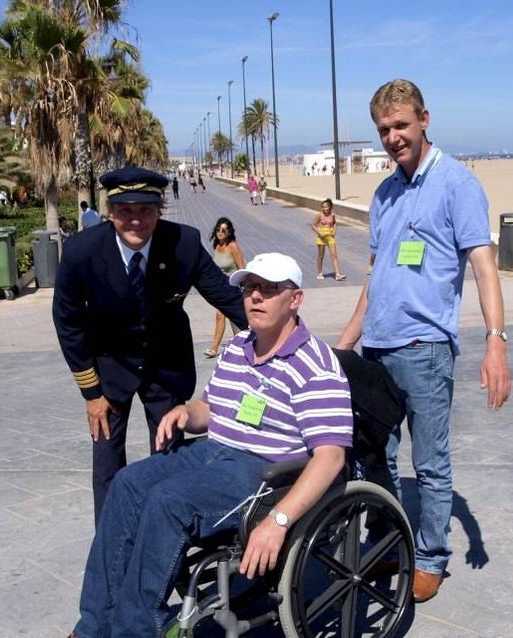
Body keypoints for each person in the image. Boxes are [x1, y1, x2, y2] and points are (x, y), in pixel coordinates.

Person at [68, 252, 352, 638]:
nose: (255, 297)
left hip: (264, 472)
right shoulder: (238, 347)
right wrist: (187, 412)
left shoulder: (315, 366)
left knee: (168, 501)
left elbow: (331, 457)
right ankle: (93, 628)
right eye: (250, 288)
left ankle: (133, 631)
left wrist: (278, 521)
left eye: (268, 289)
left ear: (295, 298)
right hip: (213, 452)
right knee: (127, 483)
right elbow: (212, 409)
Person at [336, 79, 511, 604]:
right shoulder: (384, 193)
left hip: (426, 349)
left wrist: (496, 342)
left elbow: (484, 267)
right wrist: (344, 346)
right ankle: (390, 541)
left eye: (401, 126)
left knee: (430, 464)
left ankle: (431, 556)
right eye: (384, 129)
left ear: (425, 120)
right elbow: (377, 276)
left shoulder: (458, 184)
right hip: (378, 349)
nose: (392, 137)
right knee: (375, 456)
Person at [53, 167, 248, 523]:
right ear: (111, 212)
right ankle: (113, 550)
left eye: (145, 210)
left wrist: (284, 332)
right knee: (108, 467)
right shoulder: (82, 251)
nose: (135, 221)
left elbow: (227, 297)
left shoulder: (184, 243)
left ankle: (170, 541)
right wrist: (91, 394)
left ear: (159, 210)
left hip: (166, 368)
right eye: (125, 211)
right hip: (109, 372)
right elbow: (68, 323)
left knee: (170, 459)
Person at [204, 217, 246, 358]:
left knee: (226, 316)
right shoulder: (217, 245)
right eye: (218, 230)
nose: (220, 232)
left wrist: (244, 287)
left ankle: (215, 347)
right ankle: (240, 344)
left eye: (223, 230)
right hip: (221, 287)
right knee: (226, 316)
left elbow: (241, 266)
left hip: (233, 287)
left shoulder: (232, 246)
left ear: (229, 232)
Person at [311, 198, 346, 281]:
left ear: (330, 207)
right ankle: (319, 273)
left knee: (334, 255)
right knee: (321, 256)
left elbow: (334, 223)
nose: (324, 209)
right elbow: (313, 225)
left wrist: (334, 231)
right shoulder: (319, 215)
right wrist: (319, 233)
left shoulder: (332, 215)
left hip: (330, 236)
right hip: (321, 237)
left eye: (326, 207)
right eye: (323, 207)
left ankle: (337, 274)